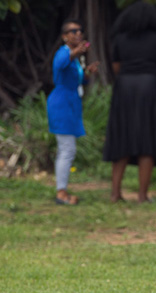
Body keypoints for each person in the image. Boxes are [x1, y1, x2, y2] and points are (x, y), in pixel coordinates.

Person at [104, 1, 156, 203]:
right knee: (147, 141)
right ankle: (142, 195)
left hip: (124, 89)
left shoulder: (120, 39)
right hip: (150, 89)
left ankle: (115, 193)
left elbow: (116, 68)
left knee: (122, 139)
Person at [46, 19, 98, 205]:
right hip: (62, 104)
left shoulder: (75, 58)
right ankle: (61, 193)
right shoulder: (63, 53)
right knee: (67, 149)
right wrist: (76, 52)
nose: (77, 34)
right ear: (64, 37)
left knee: (67, 149)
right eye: (73, 31)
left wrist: (87, 73)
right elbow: (60, 65)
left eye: (79, 30)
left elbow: (78, 80)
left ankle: (62, 190)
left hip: (70, 104)